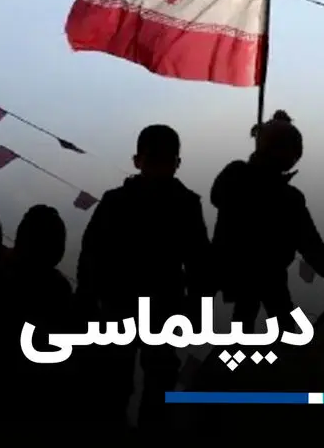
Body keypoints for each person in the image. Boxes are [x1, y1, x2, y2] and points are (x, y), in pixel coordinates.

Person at [75, 124, 212, 430]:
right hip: (140, 305)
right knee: (128, 381)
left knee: (140, 382)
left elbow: (200, 263)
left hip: (138, 305)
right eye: (156, 160)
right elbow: (92, 254)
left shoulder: (123, 201)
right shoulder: (182, 203)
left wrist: (197, 306)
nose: (160, 168)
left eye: (164, 160)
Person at [212, 111, 324, 332]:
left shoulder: (242, 178)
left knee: (257, 321)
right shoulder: (248, 181)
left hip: (253, 272)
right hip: (256, 271)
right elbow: (309, 241)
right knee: (272, 323)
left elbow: (308, 241)